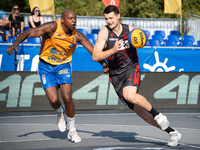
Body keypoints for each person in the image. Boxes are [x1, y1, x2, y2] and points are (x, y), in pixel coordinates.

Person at [6, 9, 106, 143]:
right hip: (45, 67)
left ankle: (72, 131)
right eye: (70, 18)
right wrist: (15, 44)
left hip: (63, 66)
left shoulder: (77, 35)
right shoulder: (52, 27)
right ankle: (60, 111)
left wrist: (104, 65)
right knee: (54, 100)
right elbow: (29, 32)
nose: (74, 21)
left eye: (75, 18)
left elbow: (94, 52)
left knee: (67, 97)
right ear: (62, 20)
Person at [92, 5, 181, 147]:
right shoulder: (104, 32)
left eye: (111, 18)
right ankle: (172, 132)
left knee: (129, 95)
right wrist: (113, 50)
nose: (108, 21)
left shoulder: (131, 31)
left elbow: (142, 41)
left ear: (118, 16)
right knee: (143, 114)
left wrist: (141, 41)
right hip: (115, 76)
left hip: (131, 69)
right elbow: (95, 56)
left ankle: (158, 115)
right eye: (106, 18)